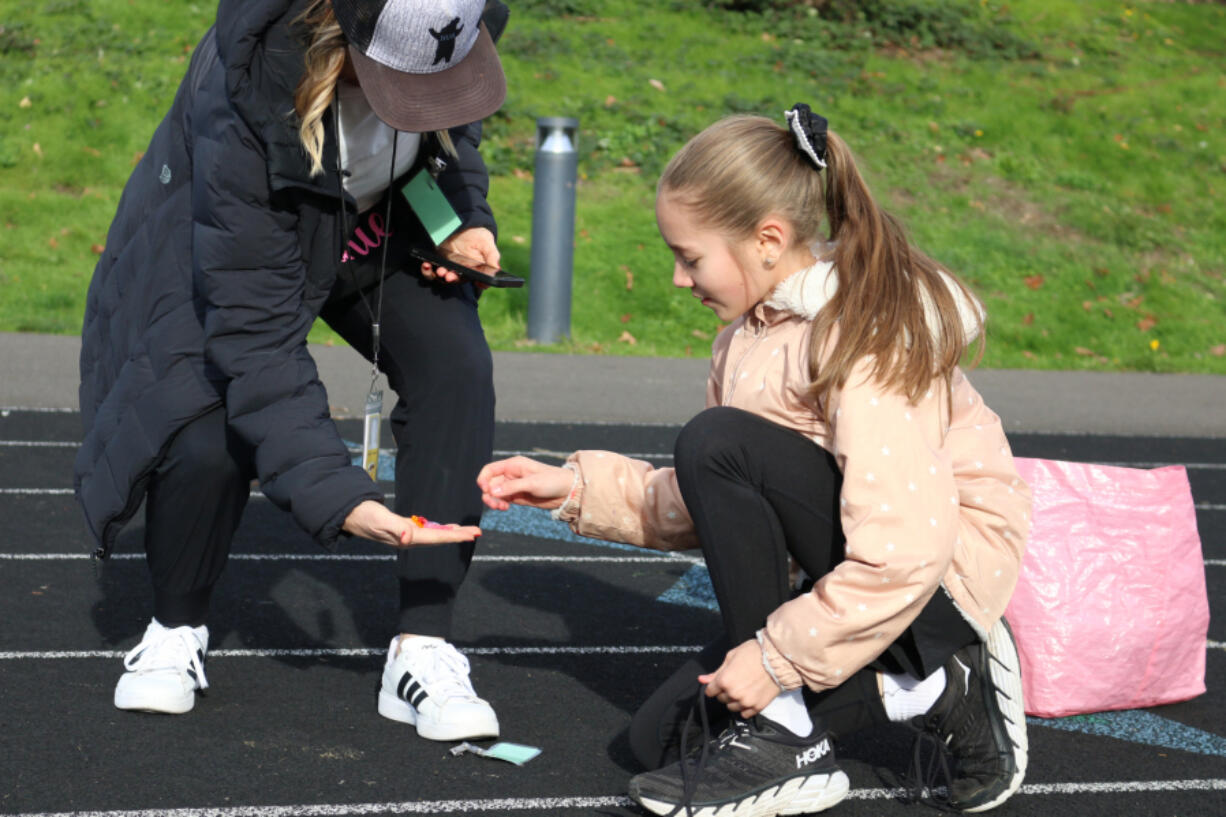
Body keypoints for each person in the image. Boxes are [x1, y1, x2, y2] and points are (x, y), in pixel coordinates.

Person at [477, 106, 1032, 814]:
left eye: (690, 256)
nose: (679, 279)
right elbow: (711, 500)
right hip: (867, 568)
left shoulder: (863, 336)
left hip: (935, 582)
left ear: (768, 239)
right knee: (661, 742)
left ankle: (807, 725)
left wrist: (773, 662)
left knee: (716, 440)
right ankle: (926, 687)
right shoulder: (748, 337)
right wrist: (572, 488)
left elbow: (907, 549)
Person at [75, 0, 511, 742]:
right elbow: (255, 338)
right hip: (227, 239)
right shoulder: (246, 84)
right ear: (345, 47)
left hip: (369, 230)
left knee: (457, 367)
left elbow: (448, 144)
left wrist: (460, 221)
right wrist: (337, 493)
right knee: (206, 425)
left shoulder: (452, 28)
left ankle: (425, 646)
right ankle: (175, 626)